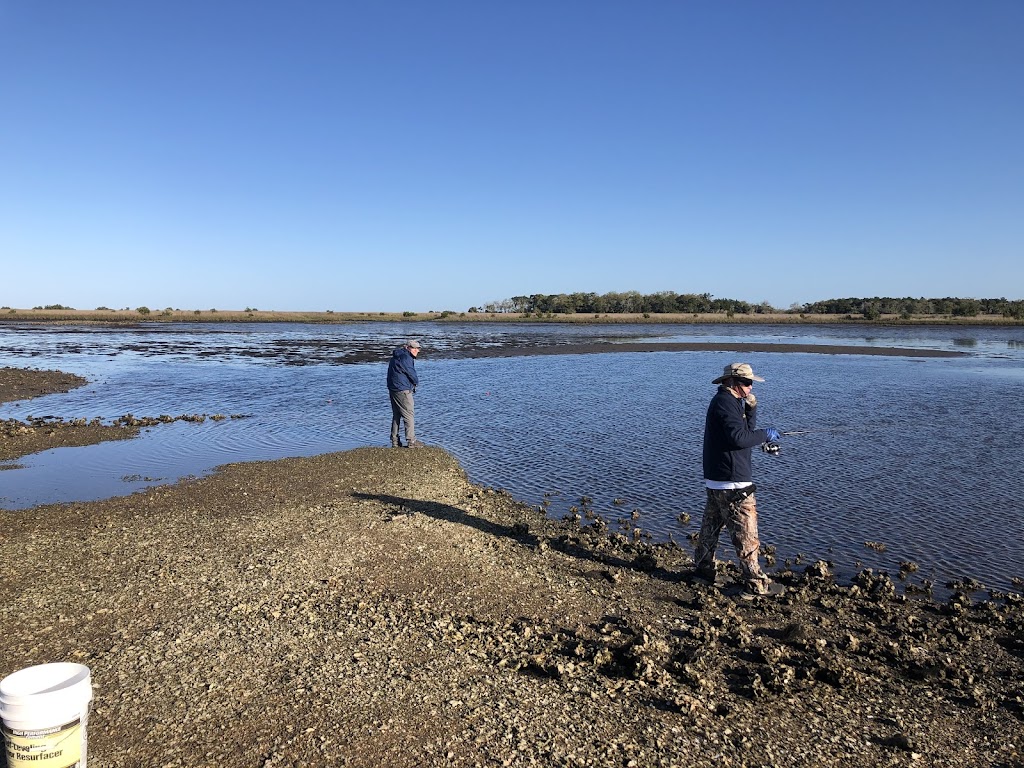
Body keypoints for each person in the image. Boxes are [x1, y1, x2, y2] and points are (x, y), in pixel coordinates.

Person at [694, 362, 781, 597]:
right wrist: (767, 433)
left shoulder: (730, 402)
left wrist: (751, 411)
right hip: (733, 482)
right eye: (746, 383)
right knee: (747, 536)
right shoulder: (725, 403)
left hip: (718, 479)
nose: (751, 387)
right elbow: (740, 439)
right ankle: (755, 584)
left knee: (709, 531)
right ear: (732, 382)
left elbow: (744, 433)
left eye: (752, 383)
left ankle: (702, 573)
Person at [387, 340, 424, 448]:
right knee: (409, 415)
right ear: (407, 347)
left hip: (393, 388)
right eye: (414, 348)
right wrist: (416, 382)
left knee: (397, 415)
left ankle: (395, 441)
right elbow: (411, 373)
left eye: (418, 348)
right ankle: (411, 441)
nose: (417, 350)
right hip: (402, 389)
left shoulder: (397, 355)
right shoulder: (406, 357)